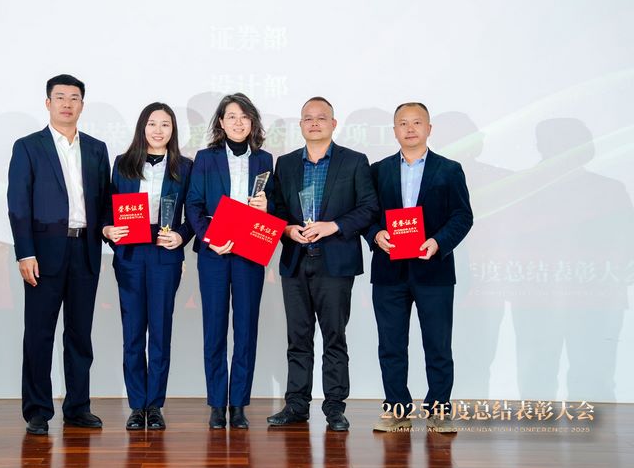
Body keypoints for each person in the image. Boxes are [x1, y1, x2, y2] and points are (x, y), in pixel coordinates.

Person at [7, 74, 111, 435]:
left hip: (85, 249)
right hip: (43, 253)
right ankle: (37, 411)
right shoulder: (28, 147)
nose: (68, 104)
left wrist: (110, 230)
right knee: (39, 334)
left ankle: (78, 407)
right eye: (61, 97)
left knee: (80, 335)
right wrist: (25, 253)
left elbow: (105, 201)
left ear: (82, 104)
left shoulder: (97, 149)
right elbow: (18, 204)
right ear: (48, 103)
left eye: (74, 98)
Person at [268, 96, 379, 432]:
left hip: (335, 262)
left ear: (334, 123)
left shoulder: (354, 161)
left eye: (321, 117)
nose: (314, 123)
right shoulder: (286, 163)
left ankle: (334, 408)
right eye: (308, 118)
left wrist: (333, 226)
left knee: (334, 337)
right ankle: (296, 405)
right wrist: (288, 230)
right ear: (301, 125)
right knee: (297, 338)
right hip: (295, 261)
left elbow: (369, 208)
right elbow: (275, 209)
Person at [365, 102, 473, 433]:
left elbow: (462, 215)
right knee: (391, 346)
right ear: (394, 130)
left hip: (434, 271)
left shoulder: (449, 169)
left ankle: (439, 410)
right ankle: (397, 410)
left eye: (416, 122)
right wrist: (376, 234)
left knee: (438, 345)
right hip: (389, 271)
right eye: (403, 123)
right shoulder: (378, 170)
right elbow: (367, 214)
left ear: (429, 128)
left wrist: (438, 242)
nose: (410, 129)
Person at [102, 102, 194, 430]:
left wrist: (182, 235)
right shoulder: (122, 163)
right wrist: (107, 229)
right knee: (132, 332)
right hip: (129, 252)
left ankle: (154, 406)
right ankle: (136, 404)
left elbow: (195, 211)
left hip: (165, 252)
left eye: (165, 124)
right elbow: (106, 207)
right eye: (152, 123)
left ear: (173, 130)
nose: (158, 130)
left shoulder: (185, 166)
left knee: (160, 330)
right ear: (143, 127)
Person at [185, 93, 273, 429]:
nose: (238, 122)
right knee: (215, 328)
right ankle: (216, 403)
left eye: (244, 116)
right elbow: (194, 204)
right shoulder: (205, 158)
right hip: (214, 253)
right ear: (221, 122)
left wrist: (267, 208)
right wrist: (211, 237)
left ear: (253, 122)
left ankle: (238, 404)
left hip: (249, 252)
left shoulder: (265, 159)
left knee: (246, 328)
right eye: (231, 116)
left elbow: (274, 208)